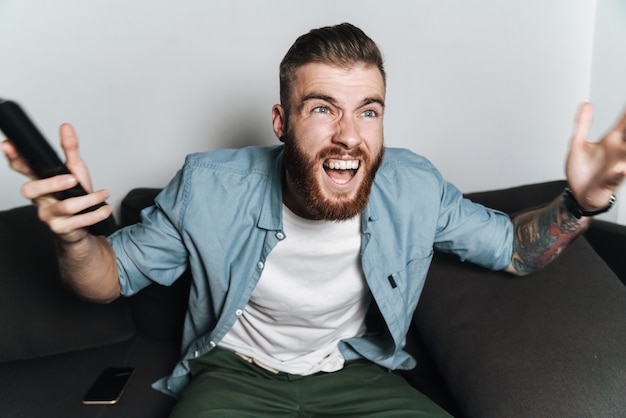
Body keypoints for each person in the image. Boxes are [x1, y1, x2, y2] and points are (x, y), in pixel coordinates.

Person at [3, 22, 626, 417]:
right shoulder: (210, 187)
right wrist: (76, 238)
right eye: (323, 108)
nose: (349, 136)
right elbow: (106, 280)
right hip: (235, 376)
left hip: (357, 373)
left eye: (369, 111)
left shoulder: (414, 186)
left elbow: (514, 251)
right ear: (282, 122)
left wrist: (580, 203)